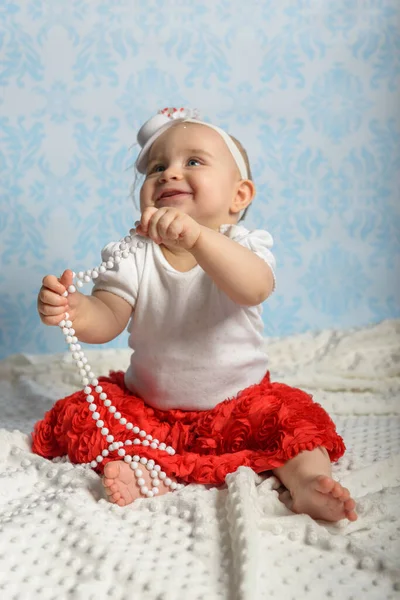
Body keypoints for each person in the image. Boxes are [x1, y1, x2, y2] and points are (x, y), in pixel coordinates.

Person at [34, 108, 357, 522]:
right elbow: (109, 317)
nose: (169, 173)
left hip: (241, 405)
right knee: (86, 417)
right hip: (151, 410)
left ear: (238, 196)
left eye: (193, 162)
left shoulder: (242, 246)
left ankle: (307, 482)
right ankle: (148, 475)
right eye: (156, 167)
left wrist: (198, 238)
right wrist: (74, 310)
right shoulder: (133, 255)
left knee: (296, 425)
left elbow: (254, 287)